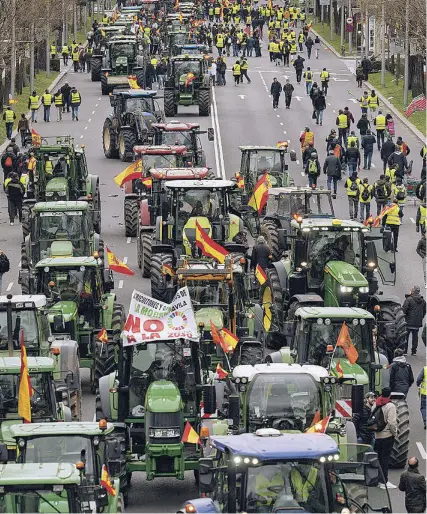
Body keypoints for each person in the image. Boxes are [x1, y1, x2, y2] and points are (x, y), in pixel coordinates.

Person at [373, 387, 397, 489]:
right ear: (390, 395)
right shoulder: (390, 406)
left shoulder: (376, 403)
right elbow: (391, 422)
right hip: (387, 436)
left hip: (377, 435)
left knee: (379, 458)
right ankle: (384, 481)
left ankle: (378, 480)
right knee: (385, 459)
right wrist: (394, 433)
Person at [402, 285, 426, 355]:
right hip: (417, 323)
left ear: (413, 291)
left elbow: (404, 309)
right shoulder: (423, 301)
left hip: (408, 322)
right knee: (415, 337)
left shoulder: (409, 299)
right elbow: (424, 311)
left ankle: (405, 351)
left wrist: (404, 317)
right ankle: (414, 351)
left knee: (406, 336)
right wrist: (420, 318)